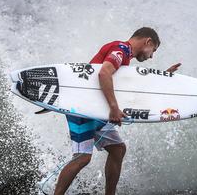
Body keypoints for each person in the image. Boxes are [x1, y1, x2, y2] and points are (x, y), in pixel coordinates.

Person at [53, 27, 181, 195]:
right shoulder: (121, 49)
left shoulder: (125, 57)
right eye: (153, 51)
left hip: (95, 110)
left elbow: (128, 86)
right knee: (83, 157)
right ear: (148, 41)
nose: (151, 56)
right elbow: (104, 73)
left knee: (118, 149)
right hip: (82, 108)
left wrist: (163, 76)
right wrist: (114, 108)